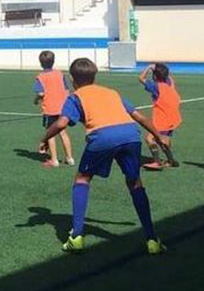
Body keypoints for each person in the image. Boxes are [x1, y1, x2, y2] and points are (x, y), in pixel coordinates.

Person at [40, 58, 169, 255]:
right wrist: (159, 136)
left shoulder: (75, 97)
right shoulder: (112, 92)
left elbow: (61, 123)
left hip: (103, 136)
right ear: (95, 76)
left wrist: (43, 138)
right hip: (131, 135)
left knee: (82, 179)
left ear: (73, 80)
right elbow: (139, 116)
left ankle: (76, 236)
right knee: (135, 183)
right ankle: (152, 240)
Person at [34, 50, 74, 168]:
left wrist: (36, 100)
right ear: (53, 61)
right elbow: (67, 90)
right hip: (62, 108)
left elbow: (41, 93)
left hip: (50, 109)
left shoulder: (40, 77)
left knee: (51, 134)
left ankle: (54, 160)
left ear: (40, 63)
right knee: (62, 132)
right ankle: (70, 158)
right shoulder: (60, 74)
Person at [138, 63, 181, 170]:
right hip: (174, 117)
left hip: (163, 118)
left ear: (155, 76)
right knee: (164, 139)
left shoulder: (156, 86)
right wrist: (161, 69)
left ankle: (157, 162)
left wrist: (148, 67)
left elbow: (141, 78)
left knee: (149, 138)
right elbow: (169, 77)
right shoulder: (169, 83)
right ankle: (171, 160)